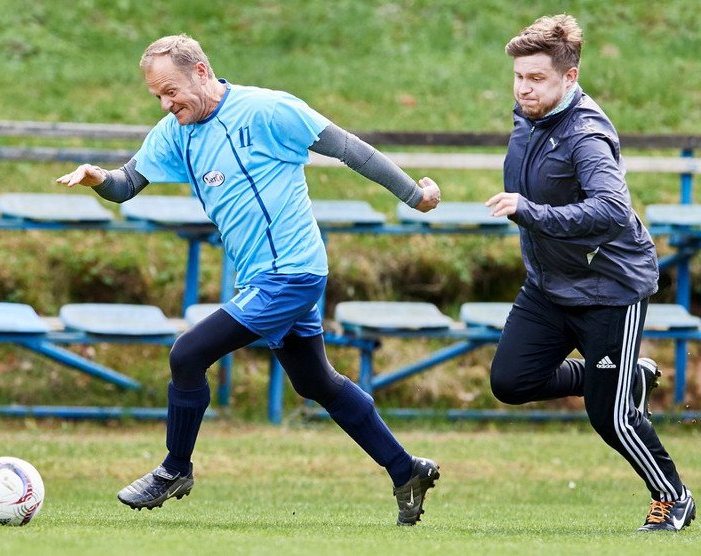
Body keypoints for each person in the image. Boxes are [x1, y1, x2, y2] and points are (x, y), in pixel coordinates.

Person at [56, 34, 442, 526]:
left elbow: (350, 149)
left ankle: (175, 469)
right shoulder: (176, 131)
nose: (165, 103)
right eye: (156, 95)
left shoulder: (267, 111)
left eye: (170, 90)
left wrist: (415, 195)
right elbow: (127, 184)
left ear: (200, 71)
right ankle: (405, 469)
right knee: (315, 381)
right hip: (263, 280)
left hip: (293, 273)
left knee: (187, 353)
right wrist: (97, 177)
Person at [485, 14, 695, 532]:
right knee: (510, 381)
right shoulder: (527, 119)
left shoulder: (586, 135)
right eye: (519, 76)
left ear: (569, 78)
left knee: (611, 418)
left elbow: (611, 210)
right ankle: (632, 376)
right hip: (549, 285)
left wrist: (528, 211)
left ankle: (674, 497)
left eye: (537, 79)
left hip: (609, 290)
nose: (524, 88)